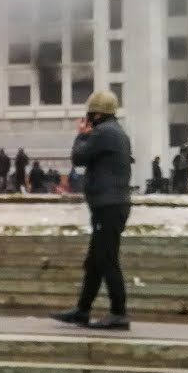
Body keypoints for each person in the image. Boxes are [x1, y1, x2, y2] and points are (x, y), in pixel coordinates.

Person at [52, 91, 133, 331]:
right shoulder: (115, 131)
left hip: (108, 205)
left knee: (107, 259)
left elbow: (78, 158)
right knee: (95, 261)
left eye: (90, 115)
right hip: (111, 204)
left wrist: (81, 135)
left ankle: (119, 313)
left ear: (96, 114)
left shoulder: (103, 132)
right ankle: (82, 310)